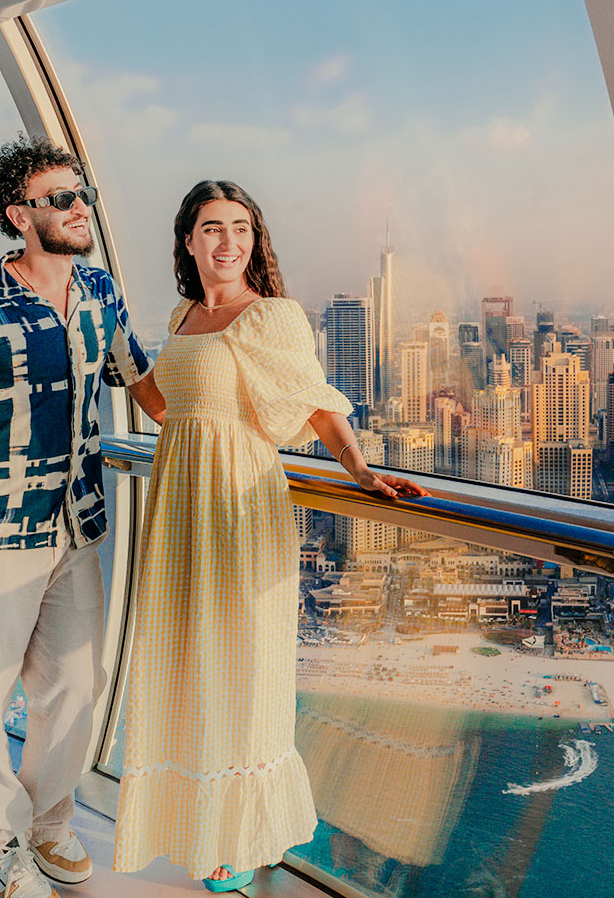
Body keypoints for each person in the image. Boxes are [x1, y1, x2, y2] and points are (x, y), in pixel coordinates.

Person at [111, 180, 428, 891]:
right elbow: (170, 409)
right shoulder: (184, 315)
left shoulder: (272, 317)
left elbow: (314, 405)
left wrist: (359, 469)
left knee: (240, 667)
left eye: (241, 227)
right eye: (212, 227)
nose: (228, 241)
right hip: (179, 506)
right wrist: (121, 354)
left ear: (255, 241)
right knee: (184, 663)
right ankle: (193, 820)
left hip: (239, 508)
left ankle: (238, 836)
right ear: (188, 240)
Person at [0, 136, 156, 898]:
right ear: (20, 216)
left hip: (74, 527)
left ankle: (49, 822)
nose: (80, 208)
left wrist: (228, 421)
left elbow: (144, 382)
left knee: (77, 687)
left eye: (83, 194)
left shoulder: (100, 293)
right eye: (62, 199)